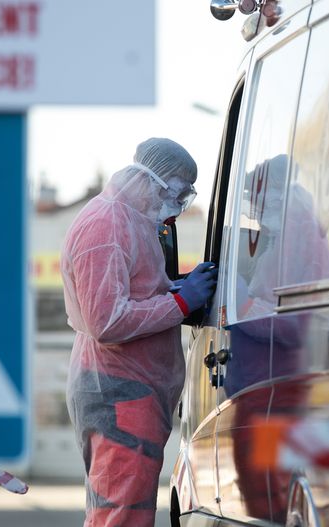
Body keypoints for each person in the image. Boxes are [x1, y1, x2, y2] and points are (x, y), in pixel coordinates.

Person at [61, 138, 217, 526]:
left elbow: (136, 293)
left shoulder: (134, 222)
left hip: (131, 392)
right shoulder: (107, 224)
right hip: (119, 391)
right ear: (151, 180)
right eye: (176, 193)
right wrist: (180, 303)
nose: (178, 207)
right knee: (121, 514)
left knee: (122, 509)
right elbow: (106, 320)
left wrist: (174, 289)